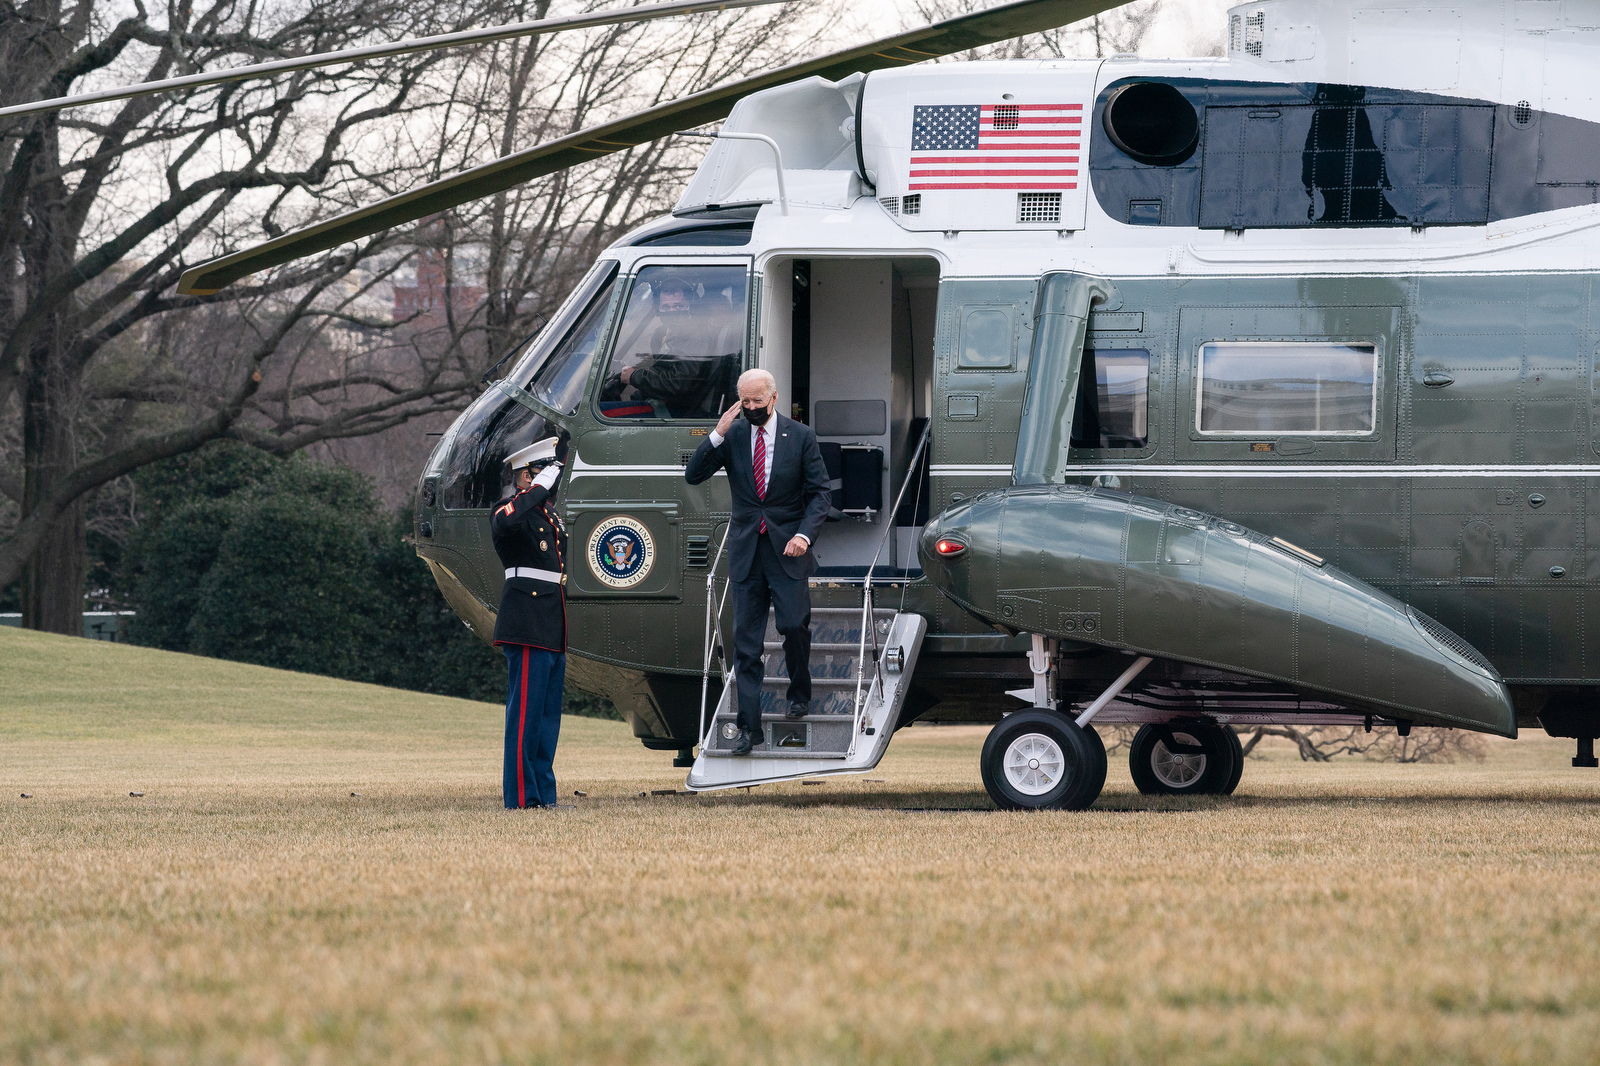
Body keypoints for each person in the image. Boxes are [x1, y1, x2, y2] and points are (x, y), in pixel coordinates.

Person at [685, 369, 830, 755]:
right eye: (744, 402)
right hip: (746, 551)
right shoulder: (731, 436)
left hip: (788, 550)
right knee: (746, 645)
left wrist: (804, 535)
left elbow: (820, 495)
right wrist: (717, 432)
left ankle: (800, 693)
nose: (750, 408)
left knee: (793, 626)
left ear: (774, 398)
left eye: (756, 402)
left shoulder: (801, 437)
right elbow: (693, 475)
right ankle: (749, 729)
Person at [490, 435, 571, 809]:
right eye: (540, 473)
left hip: (551, 621)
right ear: (525, 478)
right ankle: (522, 799)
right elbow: (507, 524)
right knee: (524, 717)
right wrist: (536, 489)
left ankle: (544, 797)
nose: (550, 481)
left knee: (546, 720)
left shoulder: (548, 517)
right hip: (526, 619)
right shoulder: (508, 511)